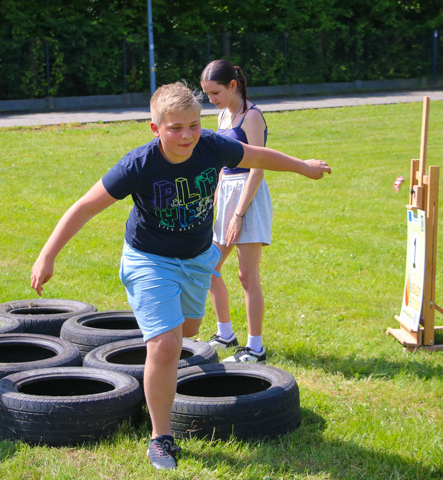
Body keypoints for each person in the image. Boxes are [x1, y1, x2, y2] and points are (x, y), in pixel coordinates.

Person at [30, 82, 330, 470]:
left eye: (193, 125)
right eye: (175, 128)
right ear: (155, 128)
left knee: (188, 331)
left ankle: (164, 352)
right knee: (167, 345)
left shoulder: (211, 145)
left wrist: (303, 166)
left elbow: (259, 155)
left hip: (197, 258)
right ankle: (161, 437)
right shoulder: (138, 165)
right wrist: (47, 255)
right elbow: (85, 207)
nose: (187, 135)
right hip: (149, 259)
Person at [200, 60, 272, 363]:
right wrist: (215, 200)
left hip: (249, 197)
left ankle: (256, 348)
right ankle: (225, 335)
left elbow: (258, 168)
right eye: (207, 94)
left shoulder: (252, 116)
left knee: (246, 276)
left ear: (233, 85)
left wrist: (238, 214)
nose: (211, 100)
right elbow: (220, 163)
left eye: (215, 92)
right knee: (209, 267)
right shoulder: (222, 116)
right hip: (227, 191)